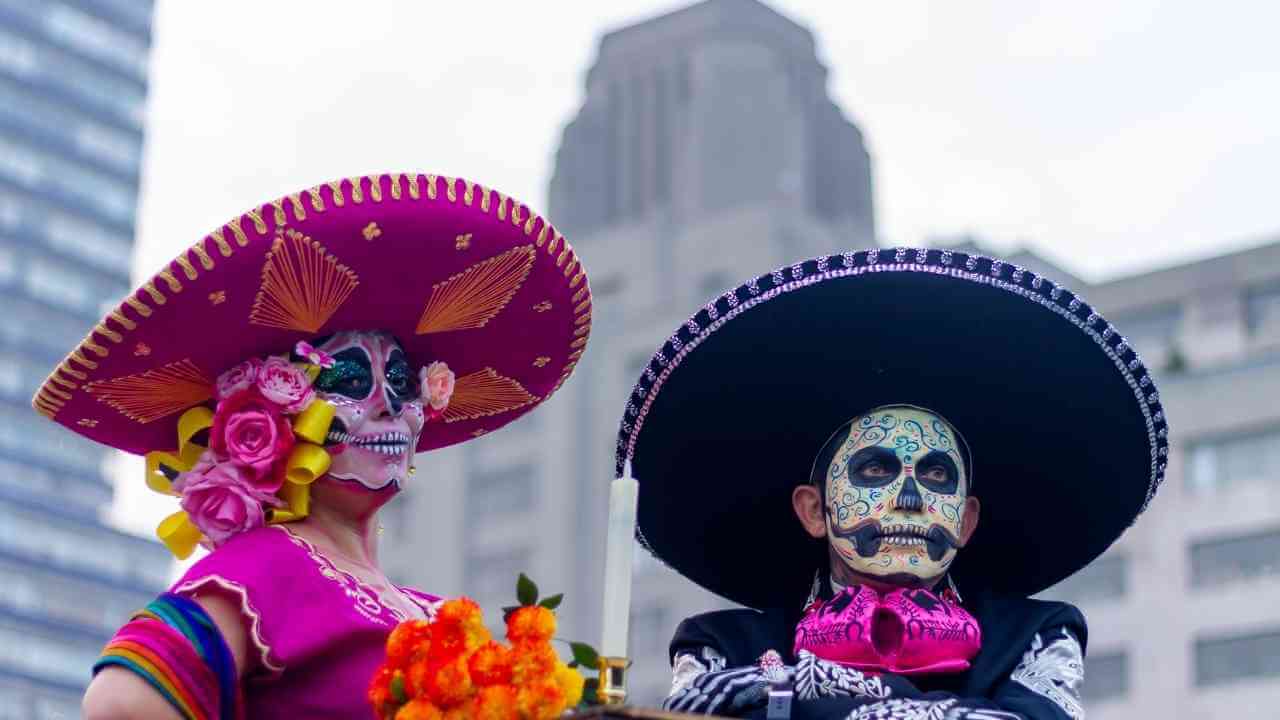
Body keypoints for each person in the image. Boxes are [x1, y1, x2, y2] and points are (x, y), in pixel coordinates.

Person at [31, 173, 593, 719]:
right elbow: (123, 705)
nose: (389, 404)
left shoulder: (437, 613)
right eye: (349, 380)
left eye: (402, 381)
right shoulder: (267, 565)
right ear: (272, 415)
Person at [613, 247, 1169, 719]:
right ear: (814, 510)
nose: (909, 500)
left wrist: (791, 693)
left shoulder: (1039, 636)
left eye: (934, 475)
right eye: (876, 471)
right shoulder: (721, 645)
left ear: (966, 518)